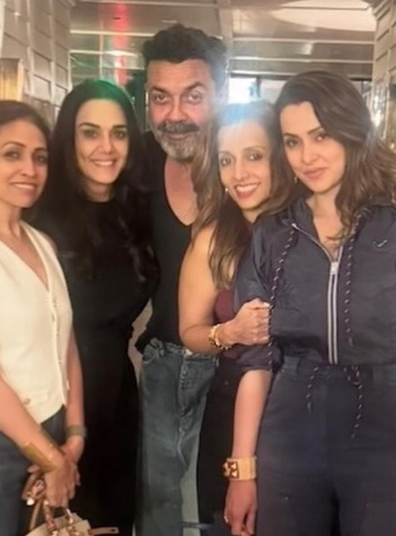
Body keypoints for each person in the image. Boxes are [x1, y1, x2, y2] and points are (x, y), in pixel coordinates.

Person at [224, 70, 396, 536]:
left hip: (385, 431)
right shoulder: (273, 233)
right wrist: (242, 470)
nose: (307, 156)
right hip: (291, 430)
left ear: (351, 130)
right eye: (292, 142)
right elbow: (257, 362)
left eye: (321, 136)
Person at [0, 101, 84, 536]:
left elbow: (64, 341)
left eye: (39, 157)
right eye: (12, 154)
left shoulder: (41, 242)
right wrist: (51, 457)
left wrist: (74, 434)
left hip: (47, 433)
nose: (29, 169)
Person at [36, 79, 156, 536]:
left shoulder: (137, 211)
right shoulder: (38, 217)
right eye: (90, 132)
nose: (106, 147)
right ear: (69, 139)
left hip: (117, 399)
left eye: (119, 133)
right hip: (55, 403)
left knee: (112, 523)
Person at [179, 101, 290, 535]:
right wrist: (230, 332)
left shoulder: (308, 226)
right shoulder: (213, 239)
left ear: (279, 156)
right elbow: (189, 331)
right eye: (227, 160)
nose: (239, 173)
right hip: (231, 403)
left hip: (301, 403)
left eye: (254, 156)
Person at [136, 24, 227, 536]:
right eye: (160, 97)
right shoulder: (138, 163)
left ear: (221, 93)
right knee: (160, 511)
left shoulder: (251, 164)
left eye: (193, 96)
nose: (175, 114)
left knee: (226, 506)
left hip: (240, 366)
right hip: (164, 364)